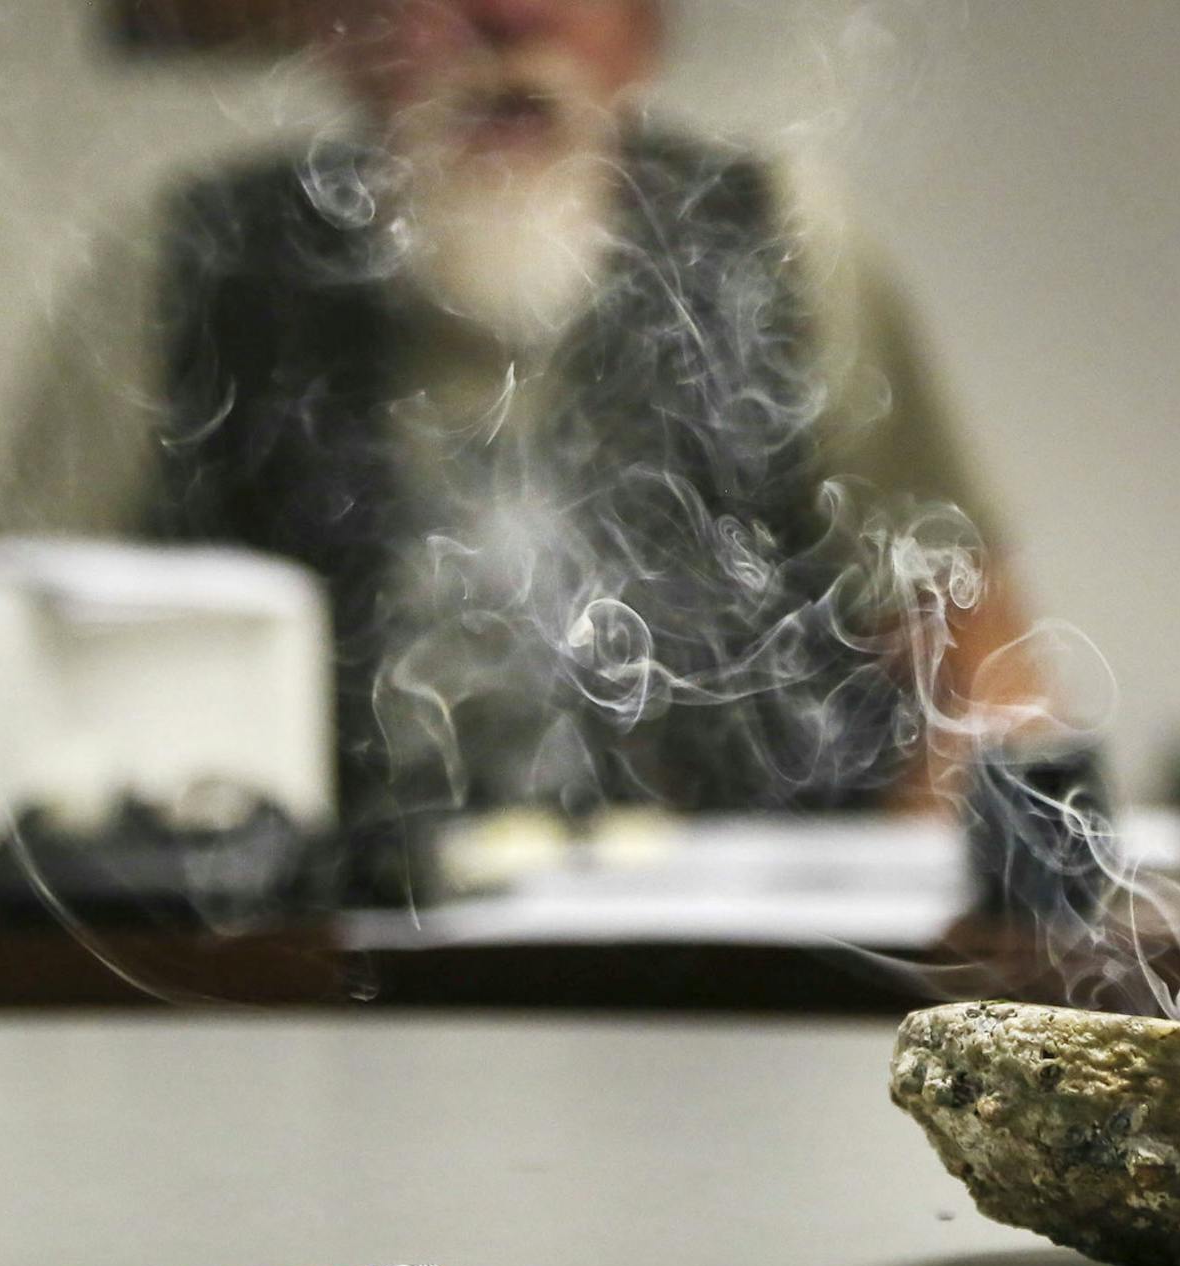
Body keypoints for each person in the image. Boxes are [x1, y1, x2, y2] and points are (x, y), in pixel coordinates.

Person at [147, 0, 1038, 856]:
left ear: (647, 29)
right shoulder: (197, 263)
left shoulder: (781, 246)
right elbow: (25, 634)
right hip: (306, 987)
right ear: (341, 27)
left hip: (730, 982)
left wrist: (900, 944)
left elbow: (981, 674)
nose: (507, 17)